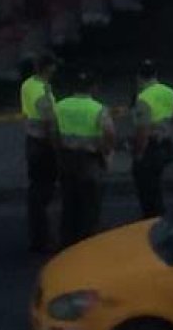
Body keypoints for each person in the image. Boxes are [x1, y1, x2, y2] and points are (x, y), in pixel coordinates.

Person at [55, 70, 116, 247]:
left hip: (67, 158)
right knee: (90, 204)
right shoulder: (97, 108)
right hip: (89, 160)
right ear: (93, 87)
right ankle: (87, 244)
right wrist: (105, 151)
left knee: (69, 202)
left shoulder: (60, 106)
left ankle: (66, 243)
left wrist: (59, 149)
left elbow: (52, 131)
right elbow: (110, 133)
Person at [21, 52, 60, 253]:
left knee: (35, 190)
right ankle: (42, 238)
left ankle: (37, 235)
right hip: (42, 145)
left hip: (31, 140)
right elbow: (48, 124)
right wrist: (56, 148)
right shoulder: (42, 93)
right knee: (44, 191)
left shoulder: (28, 85)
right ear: (48, 68)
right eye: (53, 66)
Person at [131, 60, 173, 219]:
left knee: (147, 191)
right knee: (156, 186)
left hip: (149, 149)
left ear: (139, 77)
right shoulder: (170, 92)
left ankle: (152, 222)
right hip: (165, 143)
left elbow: (142, 131)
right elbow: (172, 119)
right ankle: (159, 218)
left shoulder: (143, 98)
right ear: (156, 74)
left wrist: (138, 154)